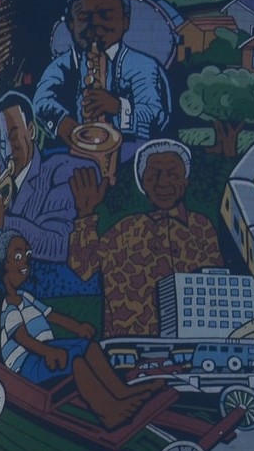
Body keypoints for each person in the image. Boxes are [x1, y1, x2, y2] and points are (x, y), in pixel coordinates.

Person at [0, 232, 163, 430]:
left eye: (27, 255)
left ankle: (123, 391)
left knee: (88, 346)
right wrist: (48, 352)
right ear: (5, 263)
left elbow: (52, 315)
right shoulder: (9, 307)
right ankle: (110, 413)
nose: (25, 262)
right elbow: (22, 337)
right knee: (76, 362)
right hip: (27, 364)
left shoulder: (25, 297)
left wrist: (78, 327)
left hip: (46, 348)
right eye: (18, 256)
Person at [68, 139, 225, 337]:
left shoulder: (202, 228)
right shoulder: (124, 230)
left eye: (173, 174)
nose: (163, 182)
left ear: (185, 181)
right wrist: (85, 214)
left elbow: (217, 285)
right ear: (142, 182)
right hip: (132, 345)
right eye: (154, 175)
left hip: (194, 344)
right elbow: (83, 268)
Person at [33, 0, 171, 149]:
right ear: (71, 24)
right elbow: (41, 99)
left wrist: (117, 107)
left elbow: (153, 114)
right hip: (76, 153)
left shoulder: (142, 65)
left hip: (129, 151)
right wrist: (62, 122)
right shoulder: (62, 65)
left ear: (125, 22)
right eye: (84, 17)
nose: (95, 24)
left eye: (106, 15)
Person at [0, 91, 76, 262]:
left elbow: (59, 244)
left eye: (13, 138)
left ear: (31, 131)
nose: (7, 151)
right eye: (2, 143)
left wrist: (4, 221)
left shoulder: (57, 171)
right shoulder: (0, 182)